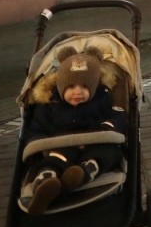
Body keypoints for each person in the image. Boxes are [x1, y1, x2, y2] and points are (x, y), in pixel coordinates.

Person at [24, 47, 128, 214]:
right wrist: (40, 144)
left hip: (94, 143)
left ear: (94, 86)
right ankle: (46, 181)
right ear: (60, 85)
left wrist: (107, 128)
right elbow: (36, 128)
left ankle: (83, 172)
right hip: (61, 146)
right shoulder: (49, 104)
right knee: (55, 157)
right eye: (71, 86)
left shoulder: (102, 99)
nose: (78, 92)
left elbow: (119, 116)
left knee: (107, 152)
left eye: (85, 87)